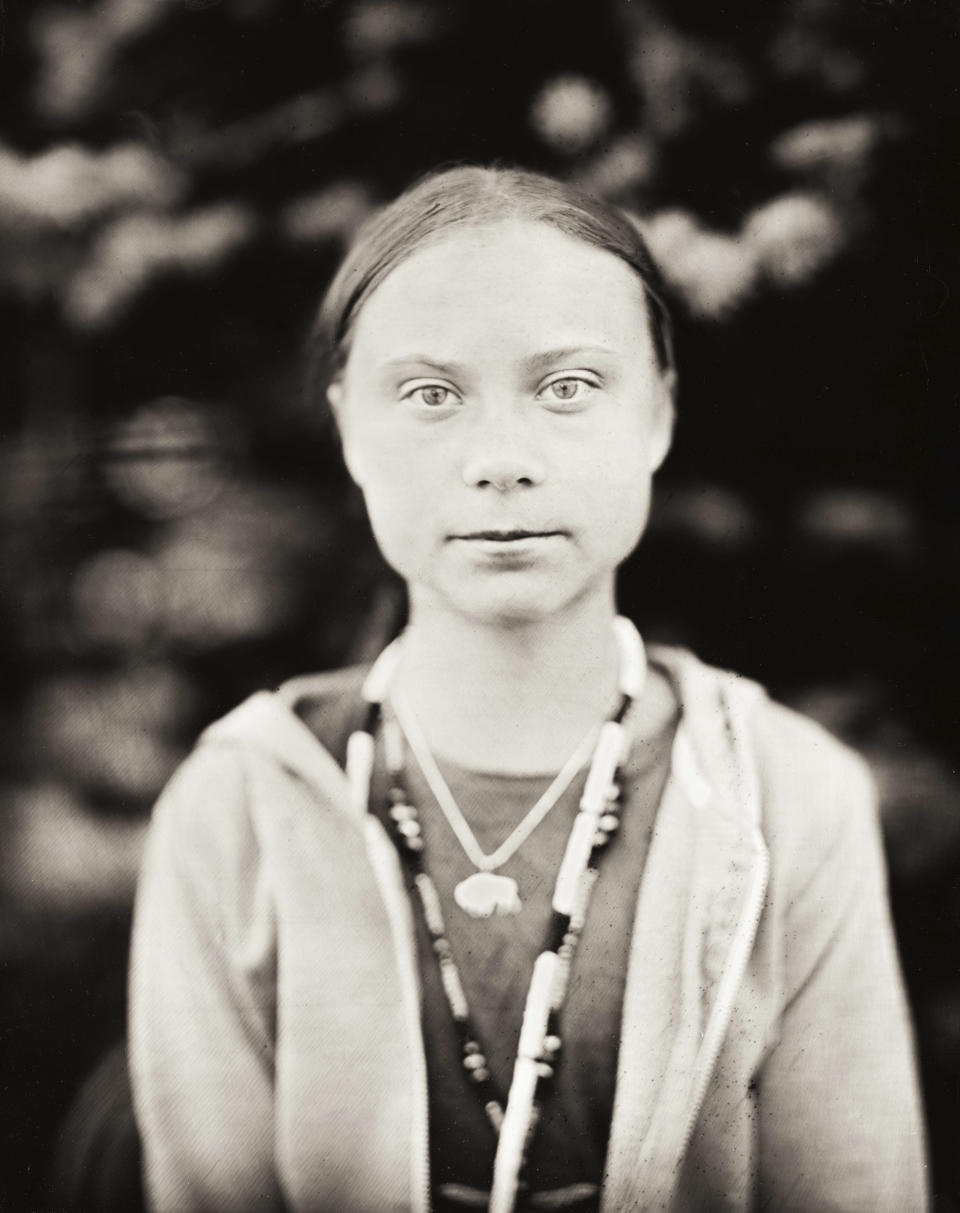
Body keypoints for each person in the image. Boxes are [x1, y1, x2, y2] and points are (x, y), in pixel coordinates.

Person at [128, 165, 928, 1213]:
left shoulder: (786, 798)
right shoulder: (237, 809)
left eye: (568, 387)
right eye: (428, 395)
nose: (501, 458)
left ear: (657, 417)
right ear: (349, 430)